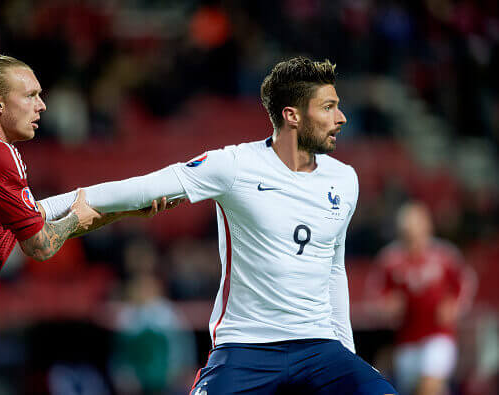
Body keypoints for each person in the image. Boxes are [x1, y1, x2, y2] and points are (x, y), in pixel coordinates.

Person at [40, 56, 398, 394]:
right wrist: (38, 209)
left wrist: (346, 354)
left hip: (321, 349)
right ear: (292, 115)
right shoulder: (234, 166)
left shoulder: (345, 179)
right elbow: (138, 188)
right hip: (246, 349)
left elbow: (334, 269)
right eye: (328, 107)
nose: (342, 117)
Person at [0, 53, 172, 395]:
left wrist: (125, 212)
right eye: (30, 95)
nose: (42, 106)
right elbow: (42, 245)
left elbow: (47, 217)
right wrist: (79, 216)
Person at [369, 202, 477, 395]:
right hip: (406, 340)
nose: (413, 239)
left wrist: (454, 305)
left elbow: (465, 282)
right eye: (407, 233)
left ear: (427, 228)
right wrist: (387, 307)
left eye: (416, 232)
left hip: (439, 334)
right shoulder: (390, 259)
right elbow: (376, 292)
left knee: (429, 385)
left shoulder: (444, 255)